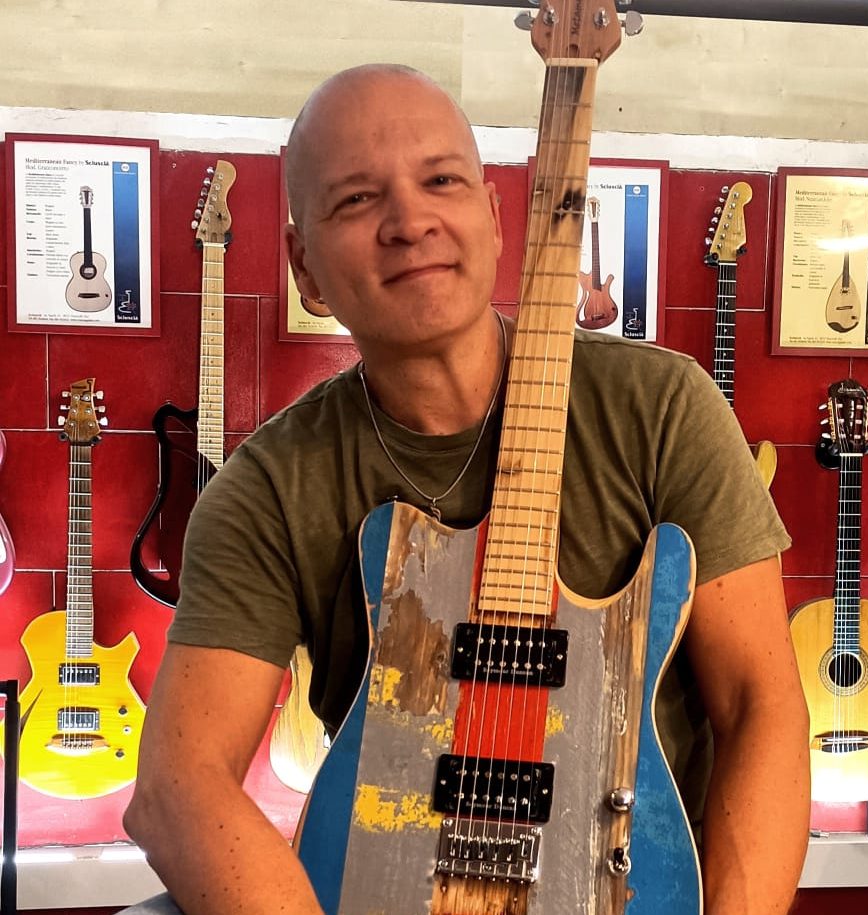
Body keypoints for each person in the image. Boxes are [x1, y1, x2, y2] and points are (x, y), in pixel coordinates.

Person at [122, 63, 810, 915]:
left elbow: (759, 704)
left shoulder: (664, 408)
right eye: (357, 199)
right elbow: (176, 786)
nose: (411, 223)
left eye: (441, 181)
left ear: (492, 217)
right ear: (305, 268)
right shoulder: (266, 490)